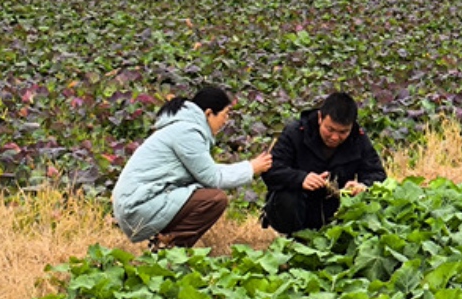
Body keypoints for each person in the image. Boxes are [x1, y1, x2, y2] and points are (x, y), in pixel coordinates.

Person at [111, 84, 272, 249]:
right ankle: (170, 249)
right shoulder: (187, 132)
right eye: (225, 114)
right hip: (138, 206)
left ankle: (166, 246)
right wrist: (251, 168)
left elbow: (208, 171)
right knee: (214, 199)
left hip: (139, 202)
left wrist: (250, 166)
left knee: (205, 195)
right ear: (209, 113)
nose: (226, 121)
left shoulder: (181, 128)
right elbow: (213, 177)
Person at [261, 91, 387, 234]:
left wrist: (363, 186)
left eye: (343, 132)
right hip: (299, 207)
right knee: (287, 198)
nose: (335, 137)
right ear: (320, 117)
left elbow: (377, 174)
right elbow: (270, 170)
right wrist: (301, 178)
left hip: (335, 210)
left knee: (373, 201)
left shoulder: (358, 138)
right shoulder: (295, 132)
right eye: (330, 129)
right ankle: (294, 236)